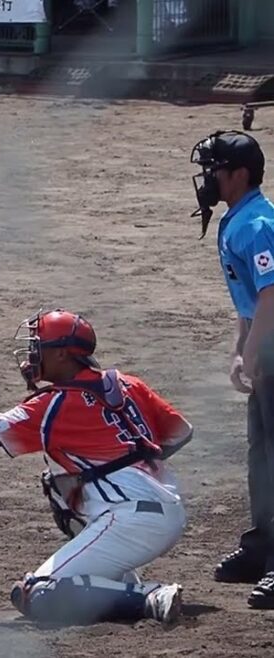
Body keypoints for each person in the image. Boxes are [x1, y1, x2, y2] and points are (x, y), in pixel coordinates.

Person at [0, 309, 192, 625]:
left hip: (130, 522)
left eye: (39, 348)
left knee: (37, 594)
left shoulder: (55, 405)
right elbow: (181, 432)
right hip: (168, 509)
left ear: (64, 354)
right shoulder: (127, 384)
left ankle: (151, 598)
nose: (30, 355)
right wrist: (127, 463)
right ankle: (121, 583)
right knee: (61, 481)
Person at [192, 130, 274, 608]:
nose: (208, 178)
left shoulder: (258, 224)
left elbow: (272, 292)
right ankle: (263, 546)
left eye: (215, 169)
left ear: (239, 175)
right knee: (260, 453)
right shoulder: (237, 220)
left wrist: (258, 349)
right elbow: (250, 299)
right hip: (266, 350)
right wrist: (239, 349)